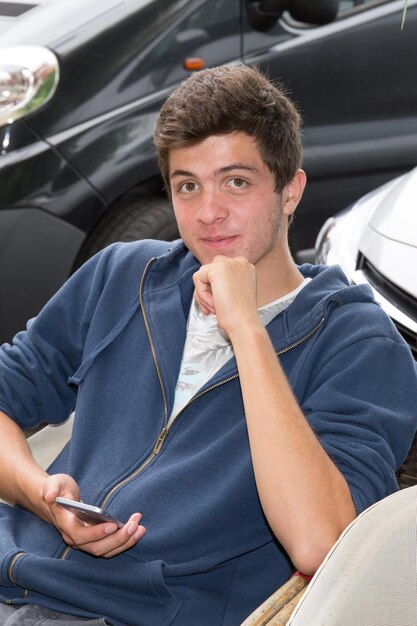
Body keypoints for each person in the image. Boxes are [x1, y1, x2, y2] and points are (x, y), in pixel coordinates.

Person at [0, 65, 416, 626]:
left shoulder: (358, 343)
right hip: (17, 572)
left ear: (290, 190)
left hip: (128, 614)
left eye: (236, 181)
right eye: (187, 185)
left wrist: (246, 329)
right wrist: (40, 497)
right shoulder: (126, 275)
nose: (207, 212)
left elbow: (322, 544)